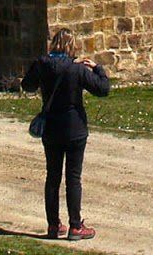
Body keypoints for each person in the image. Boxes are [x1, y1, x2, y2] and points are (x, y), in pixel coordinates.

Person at [21, 28, 111, 240]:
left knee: (52, 177)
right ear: (72, 46)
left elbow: (27, 85)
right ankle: (75, 226)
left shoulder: (42, 64)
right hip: (74, 128)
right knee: (73, 178)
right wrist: (97, 68)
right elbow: (103, 89)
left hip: (51, 127)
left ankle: (53, 225)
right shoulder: (76, 69)